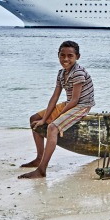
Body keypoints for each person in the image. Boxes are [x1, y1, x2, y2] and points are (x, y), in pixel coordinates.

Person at [18, 41, 95, 179]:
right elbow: (54, 97)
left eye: (70, 56)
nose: (66, 59)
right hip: (70, 102)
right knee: (34, 119)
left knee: (52, 127)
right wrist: (43, 118)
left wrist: (56, 118)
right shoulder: (61, 74)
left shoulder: (78, 73)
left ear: (78, 56)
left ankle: (42, 169)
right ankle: (39, 158)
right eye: (62, 55)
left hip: (82, 105)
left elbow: (75, 100)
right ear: (58, 56)